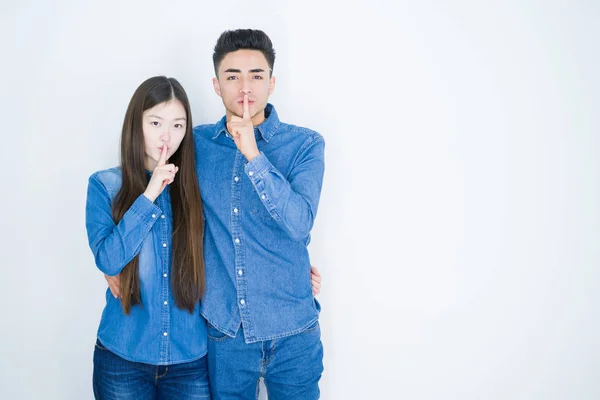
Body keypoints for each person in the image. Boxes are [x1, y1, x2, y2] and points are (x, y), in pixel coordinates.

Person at [86, 75, 322, 399]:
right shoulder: (105, 185)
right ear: (135, 123)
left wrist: (290, 268)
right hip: (123, 355)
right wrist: (150, 193)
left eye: (178, 125)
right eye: (155, 122)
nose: (166, 136)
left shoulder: (193, 184)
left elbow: (239, 228)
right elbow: (109, 258)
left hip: (190, 360)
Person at [193, 29, 326, 399]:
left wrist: (254, 155)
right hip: (226, 332)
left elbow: (300, 223)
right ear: (217, 85)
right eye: (233, 76)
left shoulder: (305, 144)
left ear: (272, 82)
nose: (245, 87)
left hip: (293, 329)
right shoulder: (196, 145)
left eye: (256, 75)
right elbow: (152, 192)